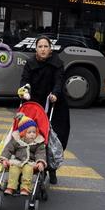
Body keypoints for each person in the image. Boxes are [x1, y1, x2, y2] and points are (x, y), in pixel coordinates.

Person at [18, 35, 71, 184]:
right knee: (31, 135)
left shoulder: (57, 63)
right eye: (40, 46)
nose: (43, 49)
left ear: (50, 49)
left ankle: (51, 168)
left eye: (45, 46)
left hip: (54, 104)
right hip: (35, 104)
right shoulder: (30, 63)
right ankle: (26, 164)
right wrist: (24, 90)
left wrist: (55, 94)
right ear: (36, 49)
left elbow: (59, 81)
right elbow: (24, 80)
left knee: (54, 139)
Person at [0, 113, 46, 196]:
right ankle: (11, 187)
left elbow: (40, 153)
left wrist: (40, 162)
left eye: (34, 132)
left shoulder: (38, 142)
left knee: (28, 170)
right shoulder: (17, 140)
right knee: (13, 169)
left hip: (30, 163)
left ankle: (25, 188)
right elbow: (8, 149)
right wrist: (4, 159)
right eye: (29, 132)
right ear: (23, 133)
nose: (32, 134)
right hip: (17, 161)